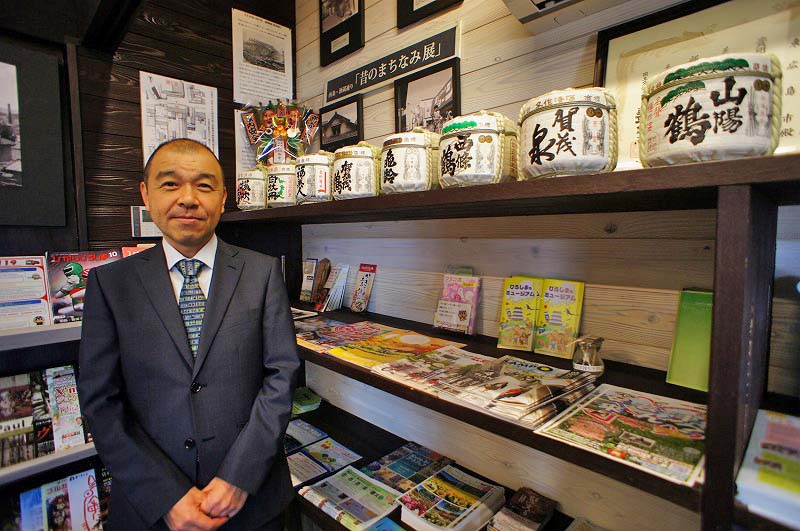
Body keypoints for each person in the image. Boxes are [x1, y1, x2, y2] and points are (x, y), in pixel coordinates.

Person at [78, 138, 300, 531]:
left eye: (204, 185)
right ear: (146, 194)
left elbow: (281, 377)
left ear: (223, 198)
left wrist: (238, 477)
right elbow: (101, 402)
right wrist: (165, 496)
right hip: (151, 510)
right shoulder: (110, 284)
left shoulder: (263, 273)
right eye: (170, 184)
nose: (188, 199)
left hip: (254, 502)